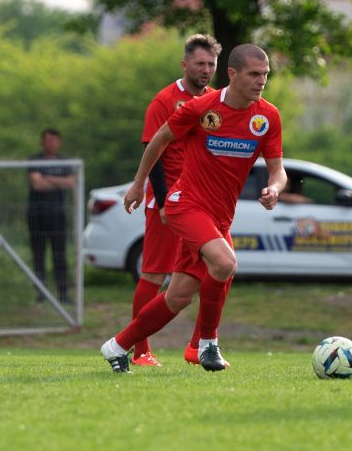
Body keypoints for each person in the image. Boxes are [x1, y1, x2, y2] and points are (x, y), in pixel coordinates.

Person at [100, 44, 285, 374]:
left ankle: (117, 345)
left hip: (219, 215)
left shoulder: (267, 116)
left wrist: (275, 187)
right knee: (226, 262)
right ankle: (207, 344)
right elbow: (159, 138)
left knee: (179, 296)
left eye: (265, 75)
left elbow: (277, 168)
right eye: (254, 74)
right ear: (232, 74)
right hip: (184, 203)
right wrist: (139, 182)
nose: (261, 81)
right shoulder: (203, 107)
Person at [127, 34, 220, 367]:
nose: (206, 70)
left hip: (202, 202)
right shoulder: (165, 100)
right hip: (168, 202)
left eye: (211, 64)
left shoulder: (214, 101)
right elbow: (154, 151)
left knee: (215, 269)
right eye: (200, 64)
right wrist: (163, 201)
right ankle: (140, 351)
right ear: (185, 64)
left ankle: (200, 345)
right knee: (154, 275)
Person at [26, 128, 76, 304]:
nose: (51, 143)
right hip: (36, 214)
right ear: (42, 142)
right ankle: (41, 293)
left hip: (58, 214)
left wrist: (47, 178)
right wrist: (58, 181)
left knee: (59, 254)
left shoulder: (65, 161)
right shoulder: (35, 160)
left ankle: (63, 293)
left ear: (59, 142)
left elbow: (71, 183)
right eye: (48, 140)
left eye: (54, 140)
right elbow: (37, 184)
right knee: (38, 253)